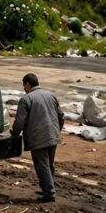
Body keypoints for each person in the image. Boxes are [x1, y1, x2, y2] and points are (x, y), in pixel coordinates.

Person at [12, 73, 64, 203]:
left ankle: (49, 193)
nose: (24, 88)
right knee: (49, 164)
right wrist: (57, 130)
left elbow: (20, 121)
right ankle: (47, 188)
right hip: (53, 135)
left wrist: (14, 133)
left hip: (38, 138)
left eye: (24, 85)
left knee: (42, 165)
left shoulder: (26, 99)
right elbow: (61, 116)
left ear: (28, 85)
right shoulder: (50, 95)